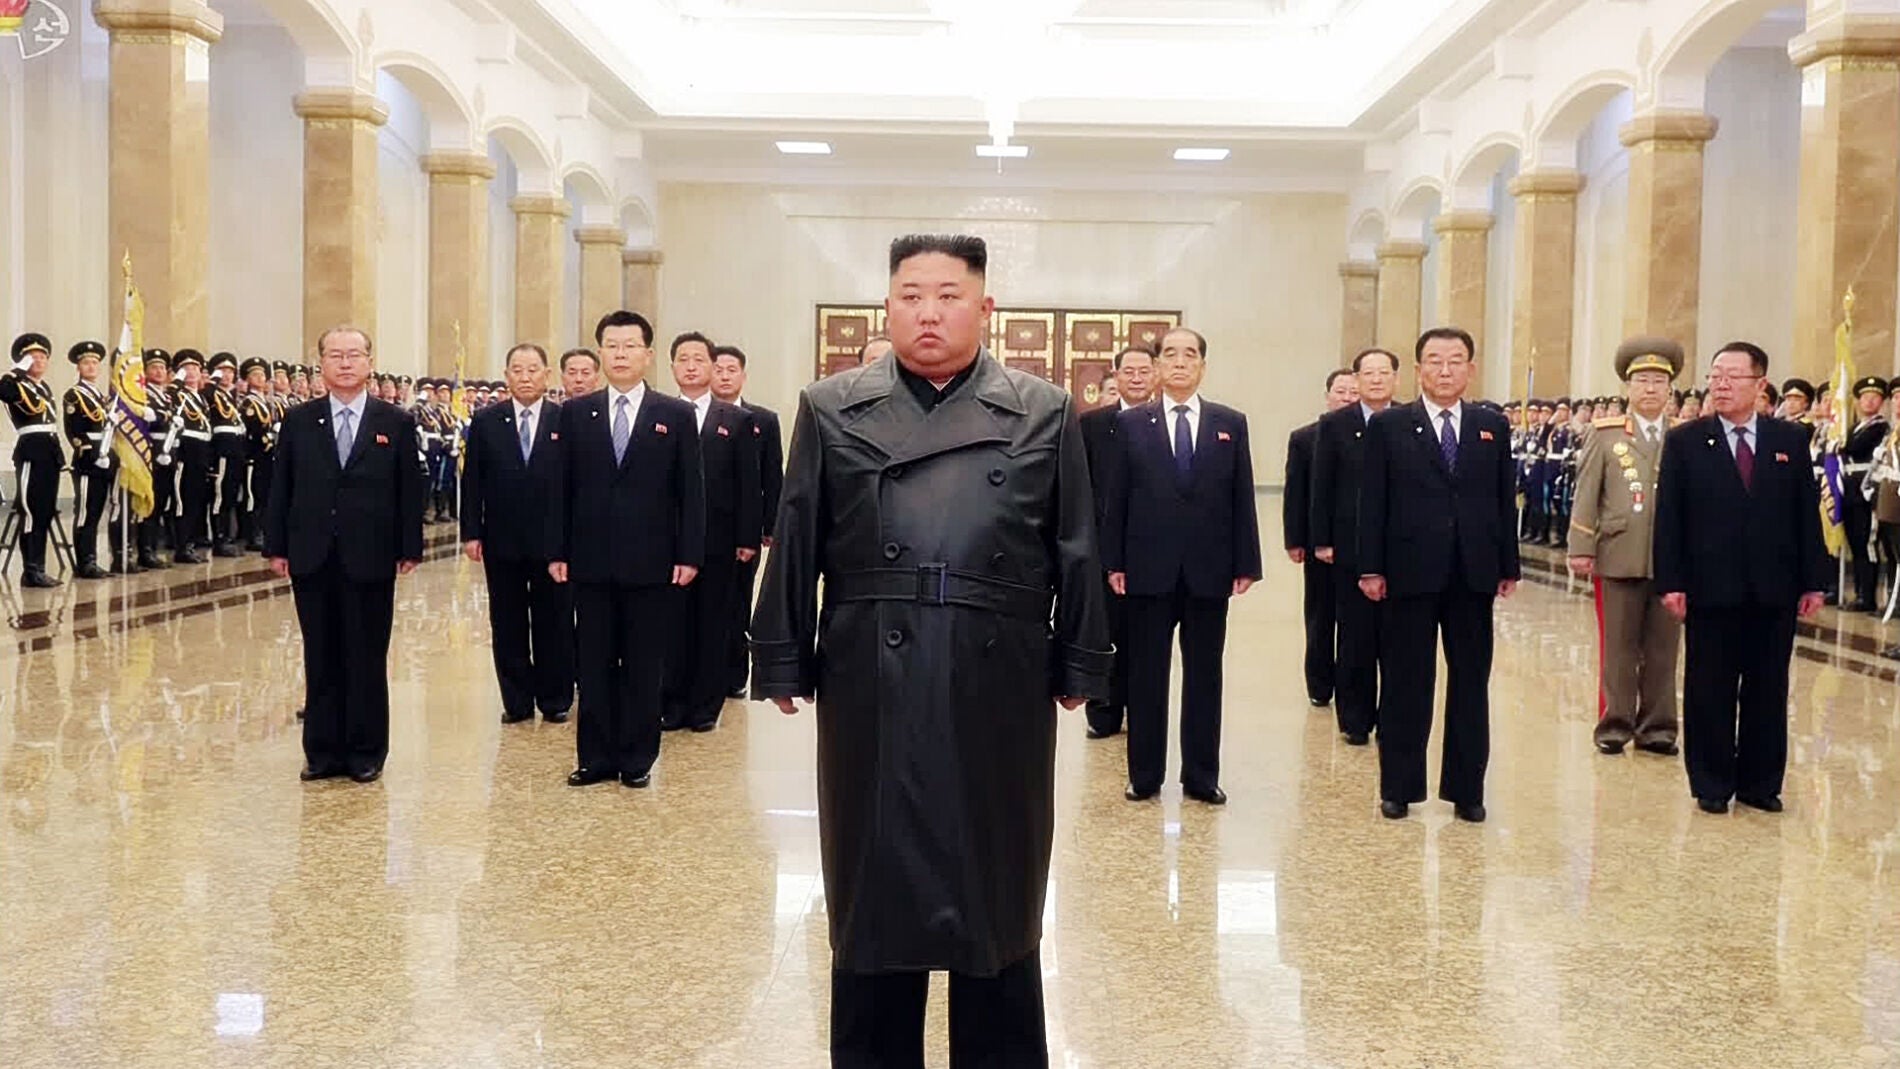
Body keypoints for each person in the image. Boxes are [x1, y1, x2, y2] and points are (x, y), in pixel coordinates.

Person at [750, 233, 1108, 1068]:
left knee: (997, 891)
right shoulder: (832, 405)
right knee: (874, 894)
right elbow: (797, 527)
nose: (929, 313)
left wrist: (1082, 657)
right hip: (871, 671)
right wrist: (781, 651)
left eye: (949, 296)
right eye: (911, 296)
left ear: (985, 308)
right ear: (888, 306)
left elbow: (1077, 540)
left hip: (1000, 673)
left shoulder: (1043, 408)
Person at [1654, 341, 1826, 814]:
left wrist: (1814, 580)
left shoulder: (1789, 440)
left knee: (1768, 688)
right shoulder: (1687, 441)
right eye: (1715, 376)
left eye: (1733, 376)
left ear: (1760, 384)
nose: (1722, 385)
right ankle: (1711, 783)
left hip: (1775, 586)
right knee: (1709, 687)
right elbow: (1669, 518)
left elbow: (1805, 514)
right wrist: (1671, 581)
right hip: (1710, 586)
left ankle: (1760, 783)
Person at [1357, 327, 1519, 823]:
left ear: (1471, 368)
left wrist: (1507, 564)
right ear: (1418, 369)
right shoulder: (1390, 426)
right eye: (1434, 361)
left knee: (1471, 681)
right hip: (1408, 570)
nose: (1445, 370)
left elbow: (1503, 498)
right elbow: (1372, 501)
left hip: (1473, 571)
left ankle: (1467, 789)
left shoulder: (1491, 426)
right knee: (1407, 680)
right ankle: (1399, 787)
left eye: (1455, 361)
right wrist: (1370, 566)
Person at [1102, 326, 1262, 806]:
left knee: (1205, 676)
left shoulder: (1229, 423)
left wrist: (1247, 561)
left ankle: (1201, 775)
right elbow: (1117, 498)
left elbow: (1242, 496)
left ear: (1202, 366)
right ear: (1157, 367)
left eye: (1189, 354)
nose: (1179, 362)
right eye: (1169, 354)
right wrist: (1113, 561)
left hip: (1209, 570)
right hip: (1147, 568)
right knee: (1146, 676)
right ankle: (1144, 775)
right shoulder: (1132, 424)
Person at [547, 310, 704, 789]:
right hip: (589, 559)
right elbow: (560, 488)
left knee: (643, 663)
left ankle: (637, 758)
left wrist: (689, 554)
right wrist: (557, 550)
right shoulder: (576, 414)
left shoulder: (674, 415)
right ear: (600, 353)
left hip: (652, 561)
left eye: (630, 346)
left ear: (647, 355)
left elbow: (690, 491)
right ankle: (595, 757)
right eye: (612, 346)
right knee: (593, 663)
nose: (620, 354)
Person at [266, 325, 426, 784]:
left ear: (369, 362)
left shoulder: (394, 422)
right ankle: (321, 751)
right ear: (321, 364)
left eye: (354, 355)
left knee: (366, 654)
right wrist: (276, 545)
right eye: (335, 355)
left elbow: (408, 490)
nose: (345, 363)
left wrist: (409, 546)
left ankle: (365, 751)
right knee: (320, 653)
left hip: (371, 553)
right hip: (312, 552)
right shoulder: (299, 420)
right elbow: (281, 486)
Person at [1567, 337, 1683, 758]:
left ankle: (1658, 728)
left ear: (1670, 389)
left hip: (1672, 560)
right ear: (1628, 388)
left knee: (1663, 649)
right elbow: (1586, 493)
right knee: (1618, 646)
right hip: (1618, 553)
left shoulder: (1685, 436)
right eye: (1642, 381)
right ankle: (1615, 724)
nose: (1650, 388)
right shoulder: (1606, 435)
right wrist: (1581, 545)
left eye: (1658, 381)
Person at [463, 343, 574, 726]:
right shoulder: (486, 421)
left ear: (546, 375)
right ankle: (517, 700)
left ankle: (555, 698)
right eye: (517, 370)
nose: (525, 377)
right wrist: (471, 532)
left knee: (554, 621)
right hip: (502, 539)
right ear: (506, 375)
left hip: (553, 542)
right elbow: (473, 480)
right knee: (507, 621)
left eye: (533, 369)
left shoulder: (565, 419)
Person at [661, 331, 760, 733]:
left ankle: (705, 707)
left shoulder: (735, 420)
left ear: (711, 366)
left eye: (698, 359)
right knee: (671, 625)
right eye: (682, 359)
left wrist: (747, 537)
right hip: (668, 542)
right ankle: (671, 703)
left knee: (714, 623)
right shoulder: (661, 415)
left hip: (720, 541)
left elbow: (748, 484)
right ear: (671, 366)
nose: (690, 367)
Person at [1310, 347, 1399, 746]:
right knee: (1355, 635)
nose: (1376, 380)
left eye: (1384, 373)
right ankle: (1355, 718)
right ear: (1357, 379)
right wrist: (1322, 539)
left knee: (1396, 639)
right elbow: (1322, 485)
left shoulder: (1408, 421)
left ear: (1396, 378)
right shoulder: (1334, 425)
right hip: (1350, 544)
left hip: (1400, 545)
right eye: (1369, 373)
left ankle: (1393, 718)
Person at [1078, 343, 1156, 739]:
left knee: (1145, 638)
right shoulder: (1092, 425)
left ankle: (1143, 714)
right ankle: (1104, 713)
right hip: (1102, 549)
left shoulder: (1167, 422)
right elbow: (1080, 485)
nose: (1137, 378)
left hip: (1152, 549)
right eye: (1129, 371)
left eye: (1144, 371)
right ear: (1116, 376)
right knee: (1104, 633)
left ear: (1155, 375)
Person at [709, 343, 783, 699]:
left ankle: (734, 673)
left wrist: (770, 525)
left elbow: (772, 475)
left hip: (744, 530)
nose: (724, 376)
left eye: (731, 370)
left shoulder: (762, 421)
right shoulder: (690, 415)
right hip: (701, 528)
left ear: (743, 375)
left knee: (737, 601)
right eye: (718, 369)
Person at [1284, 368, 1357, 709]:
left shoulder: (1378, 432)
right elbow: (1296, 493)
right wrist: (1295, 539)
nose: (1347, 398)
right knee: (1320, 615)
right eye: (1341, 391)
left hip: (1360, 543)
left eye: (1353, 392)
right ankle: (1319, 683)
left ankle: (1351, 685)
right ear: (1328, 396)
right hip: (1320, 543)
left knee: (1355, 621)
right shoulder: (1305, 438)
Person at [3, 333, 65, 587]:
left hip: (49, 452)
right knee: (31, 510)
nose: (39, 361)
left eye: (42, 357)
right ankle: (31, 570)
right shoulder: (16, 384)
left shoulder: (43, 388)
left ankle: (39, 567)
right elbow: (3, 390)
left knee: (45, 511)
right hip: (31, 451)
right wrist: (16, 370)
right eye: (32, 357)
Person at [61, 340, 116, 579]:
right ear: (78, 367)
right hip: (88, 459)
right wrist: (91, 452)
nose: (91, 366)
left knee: (97, 511)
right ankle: (85, 562)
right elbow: (73, 430)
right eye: (86, 363)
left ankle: (93, 559)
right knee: (86, 512)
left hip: (106, 457)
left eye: (94, 363)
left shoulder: (102, 398)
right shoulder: (74, 395)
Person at [1841, 376, 1889, 612]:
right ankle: (1859, 592)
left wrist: (1840, 444)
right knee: (1855, 544)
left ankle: (1867, 596)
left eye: (1875, 397)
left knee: (1866, 544)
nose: (1869, 401)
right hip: (1850, 491)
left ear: (1881, 402)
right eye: (1865, 397)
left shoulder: (1880, 428)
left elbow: (1855, 448)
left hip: (1866, 492)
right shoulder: (1854, 428)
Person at [167, 350, 215, 564]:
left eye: (195, 368)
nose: (191, 372)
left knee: (197, 499)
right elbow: (168, 396)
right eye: (186, 368)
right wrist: (176, 383)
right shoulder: (178, 394)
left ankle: (191, 543)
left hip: (202, 450)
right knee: (183, 500)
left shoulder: (201, 397)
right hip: (186, 451)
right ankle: (182, 546)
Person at [137, 349, 176, 570]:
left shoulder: (166, 396)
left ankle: (152, 547)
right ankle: (145, 550)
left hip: (168, 452)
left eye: (162, 367)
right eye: (154, 367)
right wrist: (163, 416)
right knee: (150, 503)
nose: (159, 371)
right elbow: (150, 419)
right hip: (151, 451)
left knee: (161, 502)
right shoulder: (143, 395)